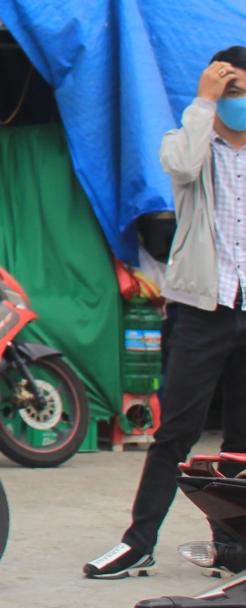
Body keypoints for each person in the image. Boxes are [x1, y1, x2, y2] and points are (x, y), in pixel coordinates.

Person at [85, 46, 246, 578]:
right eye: (230, 90)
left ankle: (233, 543)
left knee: (243, 442)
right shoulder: (190, 145)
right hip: (203, 310)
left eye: (243, 90)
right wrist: (203, 100)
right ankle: (139, 540)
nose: (237, 100)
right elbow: (179, 164)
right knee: (175, 433)